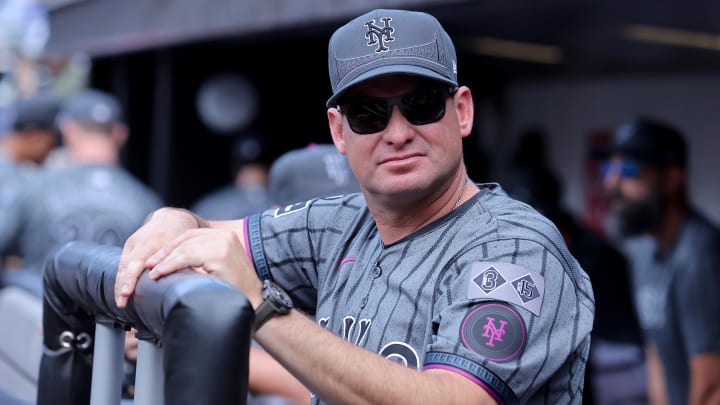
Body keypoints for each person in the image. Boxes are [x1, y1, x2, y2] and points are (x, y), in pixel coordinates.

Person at [115, 9, 594, 404]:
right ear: (339, 132)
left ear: (462, 111)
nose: (399, 132)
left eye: (422, 103)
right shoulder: (340, 223)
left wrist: (261, 306)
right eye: (370, 113)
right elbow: (207, 234)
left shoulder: (515, 248)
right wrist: (170, 220)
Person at [602, 117, 720, 405]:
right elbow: (657, 360)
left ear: (671, 178)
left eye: (629, 170)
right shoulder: (642, 252)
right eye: (610, 169)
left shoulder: (700, 256)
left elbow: (712, 386)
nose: (611, 182)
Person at [0, 88, 163, 293]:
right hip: (110, 322)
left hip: (40, 317)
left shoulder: (33, 189)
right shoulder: (147, 202)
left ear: (68, 130)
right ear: (120, 134)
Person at [0, 92, 60, 289]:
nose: (52, 150)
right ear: (37, 137)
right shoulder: (7, 176)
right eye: (53, 141)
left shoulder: (13, 172)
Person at [190, 133, 274, 220]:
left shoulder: (282, 200)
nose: (254, 174)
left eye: (260, 167)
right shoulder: (210, 206)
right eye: (246, 168)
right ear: (234, 169)